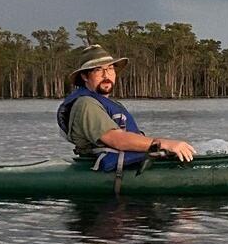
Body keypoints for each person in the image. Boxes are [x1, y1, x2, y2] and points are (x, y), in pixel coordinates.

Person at [56, 44, 196, 172]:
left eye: (110, 69)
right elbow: (116, 140)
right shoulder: (86, 104)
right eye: (99, 70)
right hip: (102, 169)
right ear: (85, 76)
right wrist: (162, 143)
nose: (106, 75)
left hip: (124, 164)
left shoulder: (108, 103)